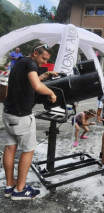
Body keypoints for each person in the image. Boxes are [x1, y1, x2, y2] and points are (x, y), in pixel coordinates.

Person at [2, 42, 57, 200]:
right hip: (21, 116)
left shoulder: (20, 62)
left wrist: (45, 76)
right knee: (28, 150)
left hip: (8, 112)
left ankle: (9, 186)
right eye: (43, 58)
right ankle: (19, 190)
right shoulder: (31, 63)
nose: (44, 62)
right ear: (35, 53)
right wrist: (51, 93)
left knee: (10, 148)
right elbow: (37, 86)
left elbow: (27, 81)